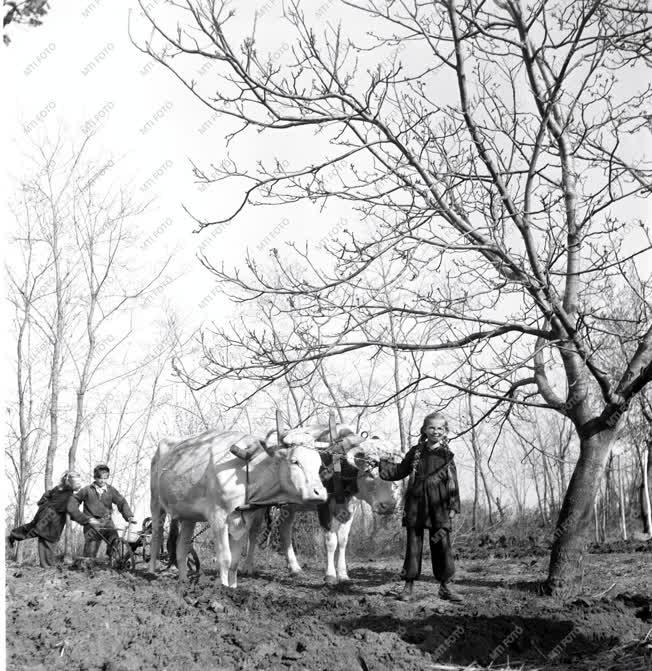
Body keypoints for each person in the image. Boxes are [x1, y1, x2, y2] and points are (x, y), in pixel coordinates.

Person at [379, 411, 463, 602]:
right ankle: (408, 586)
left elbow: (453, 483)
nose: (435, 431)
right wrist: (382, 464)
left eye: (440, 428)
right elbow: (399, 471)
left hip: (439, 506)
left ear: (445, 431)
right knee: (413, 545)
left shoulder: (447, 455)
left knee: (441, 544)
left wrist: (453, 506)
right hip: (416, 504)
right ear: (424, 430)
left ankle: (445, 586)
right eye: (431, 427)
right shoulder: (416, 452)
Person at [8, 471, 100, 567]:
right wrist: (88, 520)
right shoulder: (68, 495)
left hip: (42, 514)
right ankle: (47, 569)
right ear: (70, 483)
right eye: (77, 483)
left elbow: (47, 494)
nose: (80, 485)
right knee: (48, 540)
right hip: (51, 521)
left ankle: (13, 535)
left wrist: (42, 503)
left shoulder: (59, 488)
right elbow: (73, 512)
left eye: (80, 482)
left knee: (32, 529)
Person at [74, 464, 135, 559]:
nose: (102, 481)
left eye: (105, 478)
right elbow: (74, 501)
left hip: (107, 523)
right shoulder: (87, 490)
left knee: (115, 543)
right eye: (100, 478)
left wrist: (129, 516)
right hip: (92, 525)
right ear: (95, 477)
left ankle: (112, 565)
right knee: (90, 554)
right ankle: (86, 569)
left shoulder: (111, 490)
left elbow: (121, 502)